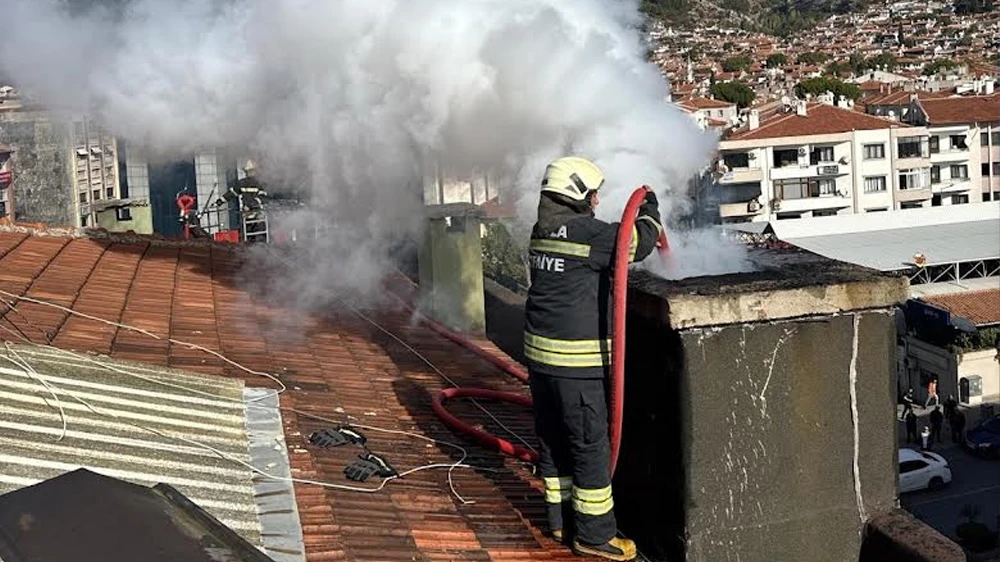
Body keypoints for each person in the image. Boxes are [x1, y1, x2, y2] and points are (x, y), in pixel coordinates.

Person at [524, 156, 662, 561]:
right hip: (576, 365)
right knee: (588, 446)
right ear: (576, 194)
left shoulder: (541, 229)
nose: (598, 200)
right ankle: (595, 536)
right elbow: (637, 244)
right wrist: (651, 209)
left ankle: (561, 520)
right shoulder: (589, 233)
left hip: (540, 360)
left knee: (554, 442)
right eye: (592, 193)